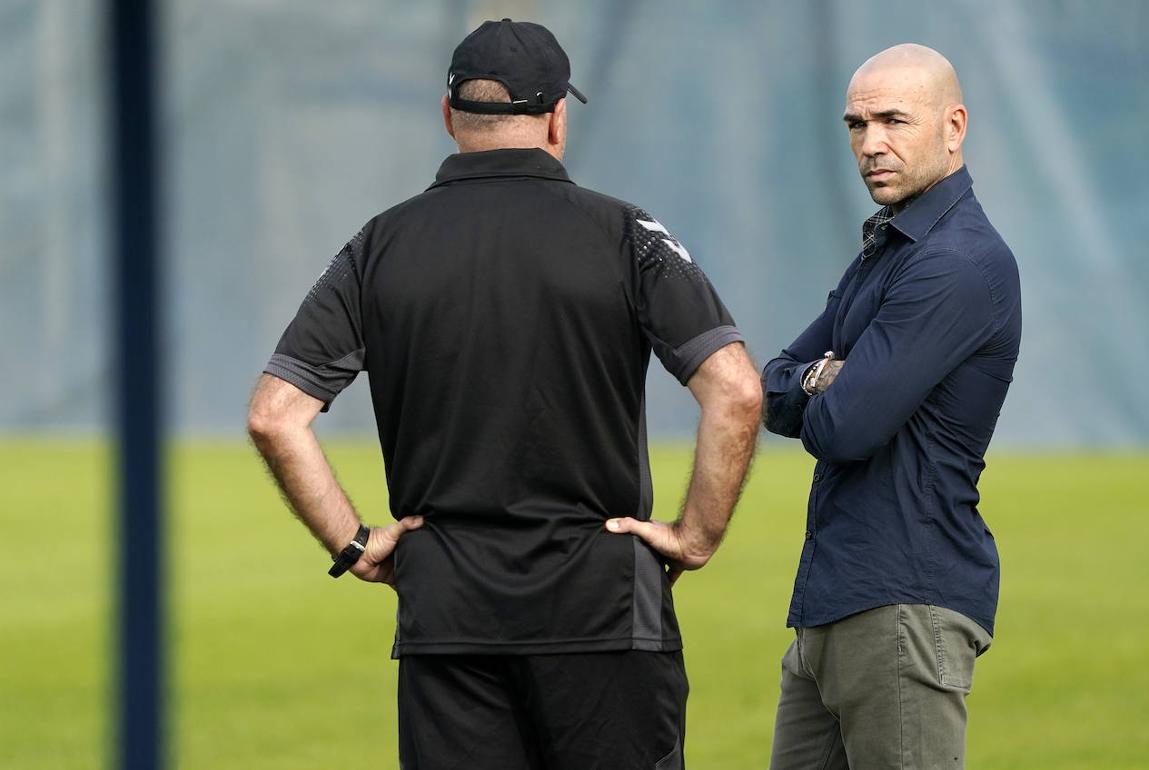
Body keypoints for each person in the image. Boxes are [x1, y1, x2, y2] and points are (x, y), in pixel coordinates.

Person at [246, 18, 761, 770]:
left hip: (448, 610)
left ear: (449, 115)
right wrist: (695, 537)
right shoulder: (627, 235)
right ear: (557, 117)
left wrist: (354, 544)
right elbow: (738, 393)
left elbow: (274, 416)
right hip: (604, 605)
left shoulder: (379, 244)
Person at [762, 44, 1022, 770]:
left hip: (904, 608)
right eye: (856, 123)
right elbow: (772, 389)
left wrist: (815, 390)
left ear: (953, 126)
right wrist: (822, 376)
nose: (870, 143)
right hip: (833, 605)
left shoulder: (955, 262)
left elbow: (845, 429)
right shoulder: (891, 248)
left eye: (893, 121)